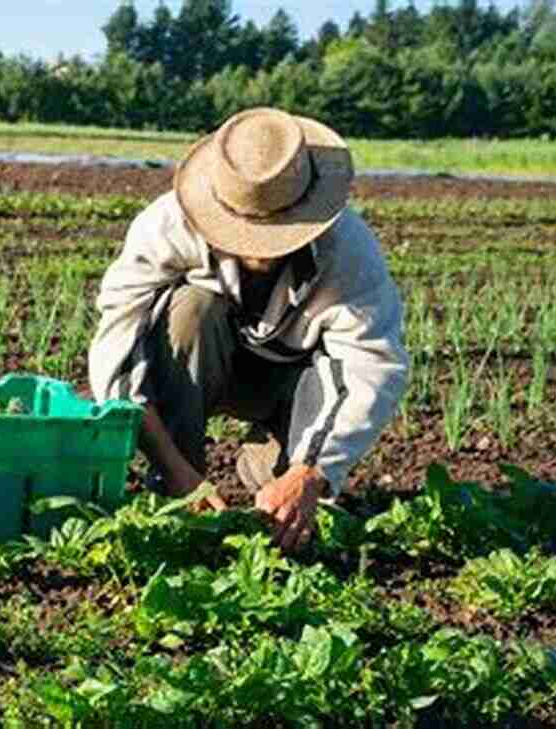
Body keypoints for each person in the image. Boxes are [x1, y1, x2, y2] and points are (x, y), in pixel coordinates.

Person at [88, 107, 409, 553]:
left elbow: (370, 365)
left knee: (285, 510)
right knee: (189, 310)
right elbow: (118, 350)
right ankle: (177, 488)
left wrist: (309, 473)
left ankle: (274, 461)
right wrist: (177, 470)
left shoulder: (348, 251)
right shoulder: (167, 225)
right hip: (203, 361)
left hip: (291, 379)